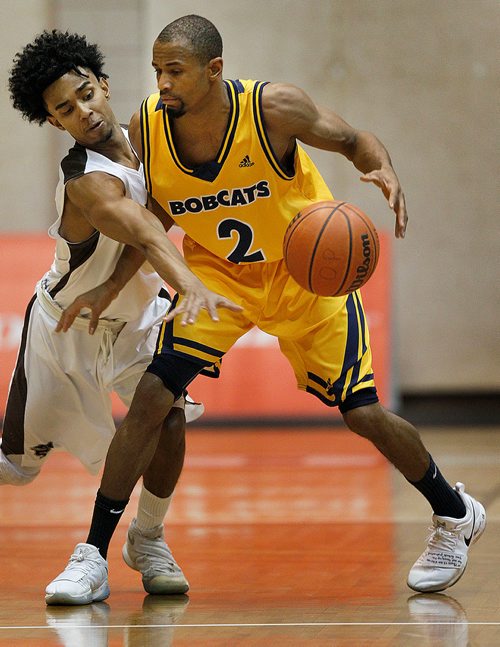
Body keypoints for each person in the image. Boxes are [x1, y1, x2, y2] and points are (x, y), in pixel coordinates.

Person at [46, 15, 486, 604]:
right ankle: (94, 553)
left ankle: (454, 513)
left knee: (363, 414)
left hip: (306, 279)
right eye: (156, 71)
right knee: (154, 396)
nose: (162, 83)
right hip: (219, 277)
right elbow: (162, 216)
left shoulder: (273, 109)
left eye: (174, 71)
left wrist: (382, 168)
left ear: (214, 70)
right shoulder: (147, 127)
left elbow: (355, 139)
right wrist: (109, 286)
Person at [5, 29, 242, 603]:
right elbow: (137, 224)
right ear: (53, 121)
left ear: (104, 85)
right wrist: (185, 280)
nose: (83, 112)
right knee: (14, 467)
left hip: (134, 321)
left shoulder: (153, 141)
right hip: (66, 327)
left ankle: (144, 539)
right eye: (65, 108)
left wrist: (114, 285)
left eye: (87, 94)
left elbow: (157, 211)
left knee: (168, 414)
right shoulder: (83, 176)